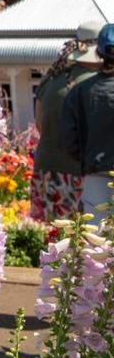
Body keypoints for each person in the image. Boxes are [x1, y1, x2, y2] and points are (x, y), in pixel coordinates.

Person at [30, 20, 103, 220]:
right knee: (83, 241)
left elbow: (39, 124)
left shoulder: (52, 77)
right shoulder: (98, 84)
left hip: (45, 168)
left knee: (50, 241)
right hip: (82, 175)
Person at [61, 22, 114, 223]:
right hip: (97, 174)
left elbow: (69, 142)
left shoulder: (78, 92)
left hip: (96, 179)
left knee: (97, 248)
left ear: (99, 53)